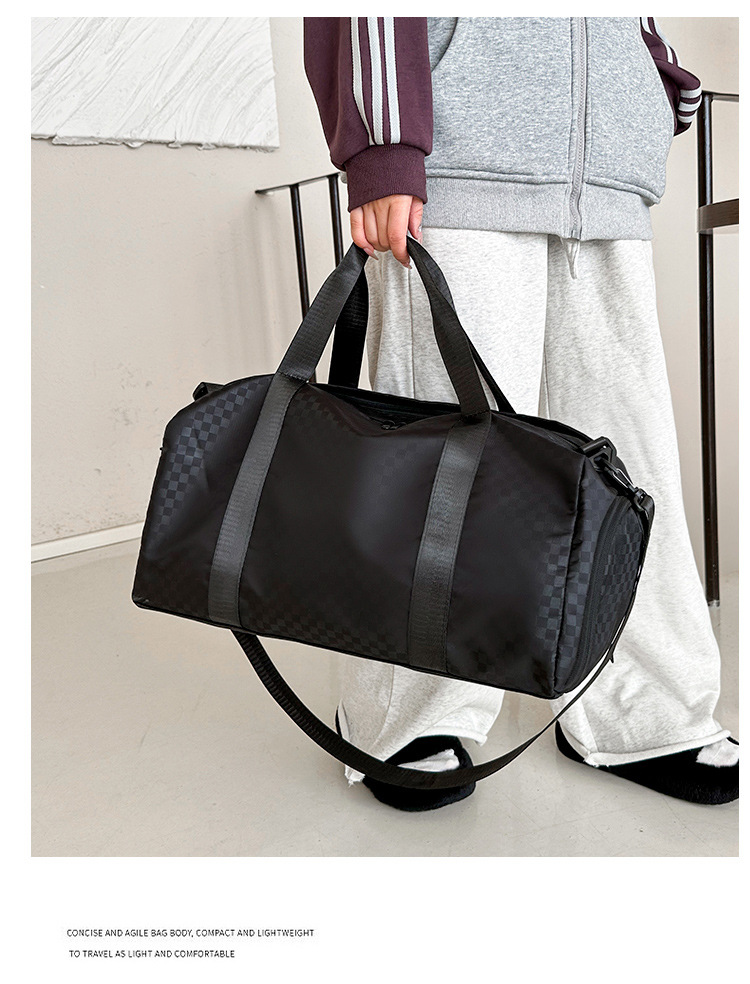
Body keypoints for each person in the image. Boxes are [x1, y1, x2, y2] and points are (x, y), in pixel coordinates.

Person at [303, 16, 739, 810]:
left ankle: (642, 708)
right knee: (440, 461)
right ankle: (410, 716)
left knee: (629, 467)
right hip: (458, 161)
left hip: (608, 179)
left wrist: (652, 75)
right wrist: (381, 142)